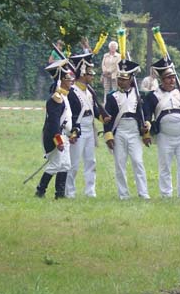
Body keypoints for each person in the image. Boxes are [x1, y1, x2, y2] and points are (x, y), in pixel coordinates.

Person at [144, 59, 180, 198]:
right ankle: (166, 194)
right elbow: (147, 114)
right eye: (169, 77)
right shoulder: (152, 96)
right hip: (164, 136)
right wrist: (147, 125)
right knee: (165, 166)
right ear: (162, 79)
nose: (172, 80)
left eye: (173, 77)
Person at [103, 60, 151, 200]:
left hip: (134, 131)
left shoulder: (139, 96)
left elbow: (145, 114)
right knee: (120, 163)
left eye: (124, 79)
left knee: (138, 161)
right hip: (119, 131)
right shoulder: (112, 97)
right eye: (119, 79)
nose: (121, 82)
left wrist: (146, 128)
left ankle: (143, 192)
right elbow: (108, 118)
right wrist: (109, 136)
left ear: (130, 80)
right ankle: (123, 194)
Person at [34, 60, 79, 199]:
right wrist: (58, 140)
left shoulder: (64, 96)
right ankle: (40, 191)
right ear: (61, 81)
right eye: (68, 79)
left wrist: (72, 133)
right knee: (55, 165)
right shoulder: (56, 98)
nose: (71, 81)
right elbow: (53, 122)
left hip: (64, 136)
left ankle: (60, 194)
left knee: (65, 165)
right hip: (55, 137)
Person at [65, 54, 107, 198]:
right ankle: (69, 192)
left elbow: (93, 110)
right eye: (89, 73)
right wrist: (72, 131)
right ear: (83, 73)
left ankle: (90, 191)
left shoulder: (88, 91)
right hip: (78, 128)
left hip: (90, 127)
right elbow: (71, 114)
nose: (92, 76)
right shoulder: (71, 92)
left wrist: (103, 118)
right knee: (74, 163)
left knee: (91, 161)